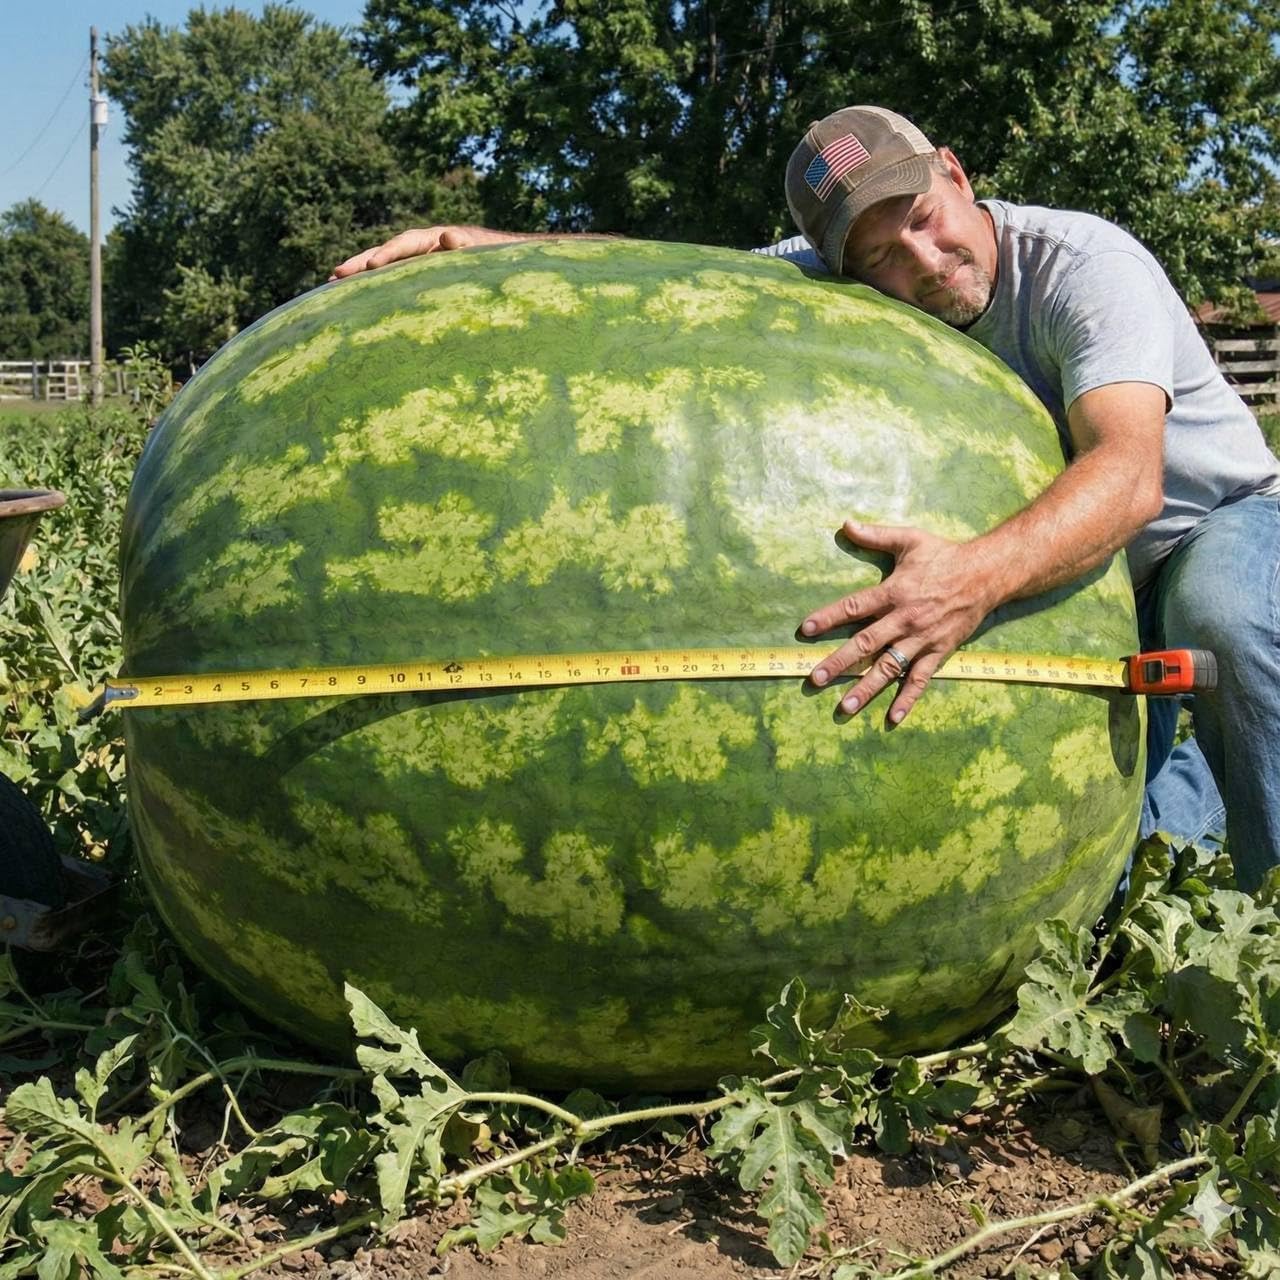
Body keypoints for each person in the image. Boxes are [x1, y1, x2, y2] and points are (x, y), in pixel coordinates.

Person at [329, 106, 1280, 892]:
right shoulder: (832, 268)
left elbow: (1129, 477)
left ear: (953, 172)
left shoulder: (1084, 268)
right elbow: (671, 272)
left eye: (922, 216)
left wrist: (968, 580)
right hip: (1077, 573)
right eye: (880, 257)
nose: (922, 260)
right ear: (841, 266)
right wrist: (489, 250)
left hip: (1207, 525)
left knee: (1221, 619)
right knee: (1106, 867)